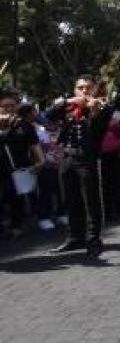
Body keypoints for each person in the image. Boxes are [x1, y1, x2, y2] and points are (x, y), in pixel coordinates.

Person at [46, 75, 113, 256]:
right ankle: (75, 237)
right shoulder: (68, 107)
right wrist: (69, 101)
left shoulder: (102, 108)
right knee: (71, 200)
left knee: (92, 201)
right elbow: (48, 115)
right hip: (67, 158)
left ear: (94, 90)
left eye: (88, 88)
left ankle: (94, 239)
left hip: (87, 159)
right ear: (75, 89)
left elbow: (98, 127)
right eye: (80, 88)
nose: (84, 91)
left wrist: (94, 111)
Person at [0, 91, 45, 237]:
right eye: (4, 106)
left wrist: (40, 160)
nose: (8, 109)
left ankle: (16, 225)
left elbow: (34, 144)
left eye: (11, 106)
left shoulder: (25, 126)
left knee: (15, 197)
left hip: (18, 167)